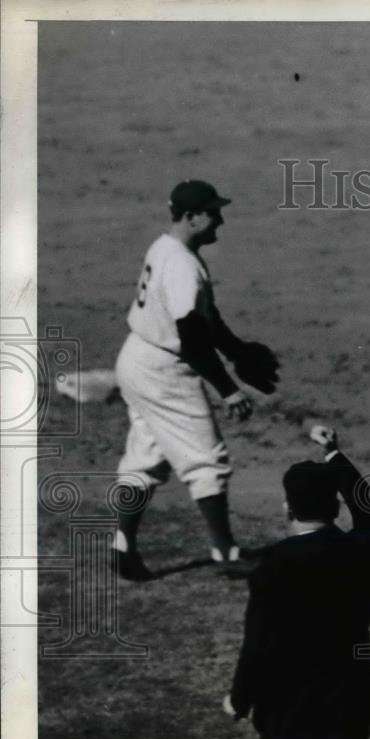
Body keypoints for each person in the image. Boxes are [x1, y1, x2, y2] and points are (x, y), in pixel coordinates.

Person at [111, 180, 280, 581]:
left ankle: (123, 546)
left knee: (146, 457)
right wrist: (229, 389)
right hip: (164, 371)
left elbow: (207, 321)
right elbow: (191, 337)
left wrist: (236, 351)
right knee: (207, 459)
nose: (219, 219)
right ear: (191, 217)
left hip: (136, 358)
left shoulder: (166, 248)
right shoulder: (184, 266)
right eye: (212, 211)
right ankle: (226, 553)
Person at [225, 425, 370, 739]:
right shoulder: (361, 552)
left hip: (288, 712)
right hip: (350, 704)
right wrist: (334, 455)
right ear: (336, 508)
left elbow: (258, 644)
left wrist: (239, 699)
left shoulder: (272, 567)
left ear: (288, 509)